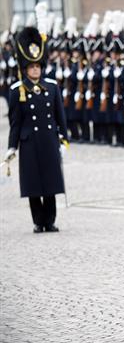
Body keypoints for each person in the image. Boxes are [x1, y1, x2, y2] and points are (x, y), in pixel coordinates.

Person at [5, 26, 69, 233]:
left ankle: (49, 220)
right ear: (25, 69)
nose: (35, 70)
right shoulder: (17, 91)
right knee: (33, 184)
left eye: (37, 67)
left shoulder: (51, 87)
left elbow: (60, 116)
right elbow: (15, 122)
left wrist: (63, 138)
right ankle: (37, 220)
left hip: (48, 139)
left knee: (50, 181)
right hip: (29, 141)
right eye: (31, 67)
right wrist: (11, 147)